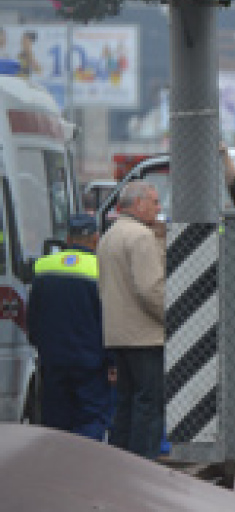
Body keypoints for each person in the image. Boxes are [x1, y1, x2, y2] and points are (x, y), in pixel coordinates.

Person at [28, 214, 112, 441]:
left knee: (55, 421)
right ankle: (82, 470)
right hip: (90, 363)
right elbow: (108, 319)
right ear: (96, 239)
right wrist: (112, 360)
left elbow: (33, 315)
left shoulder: (44, 266)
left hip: (53, 360)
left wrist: (41, 345)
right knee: (91, 419)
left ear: (67, 239)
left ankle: (57, 469)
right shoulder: (102, 268)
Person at [97, 181, 166, 458]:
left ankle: (120, 463)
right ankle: (143, 466)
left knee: (125, 404)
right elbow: (151, 288)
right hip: (145, 334)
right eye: (155, 201)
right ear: (138, 204)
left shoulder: (110, 236)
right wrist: (172, 318)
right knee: (148, 405)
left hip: (118, 333)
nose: (159, 208)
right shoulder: (140, 237)